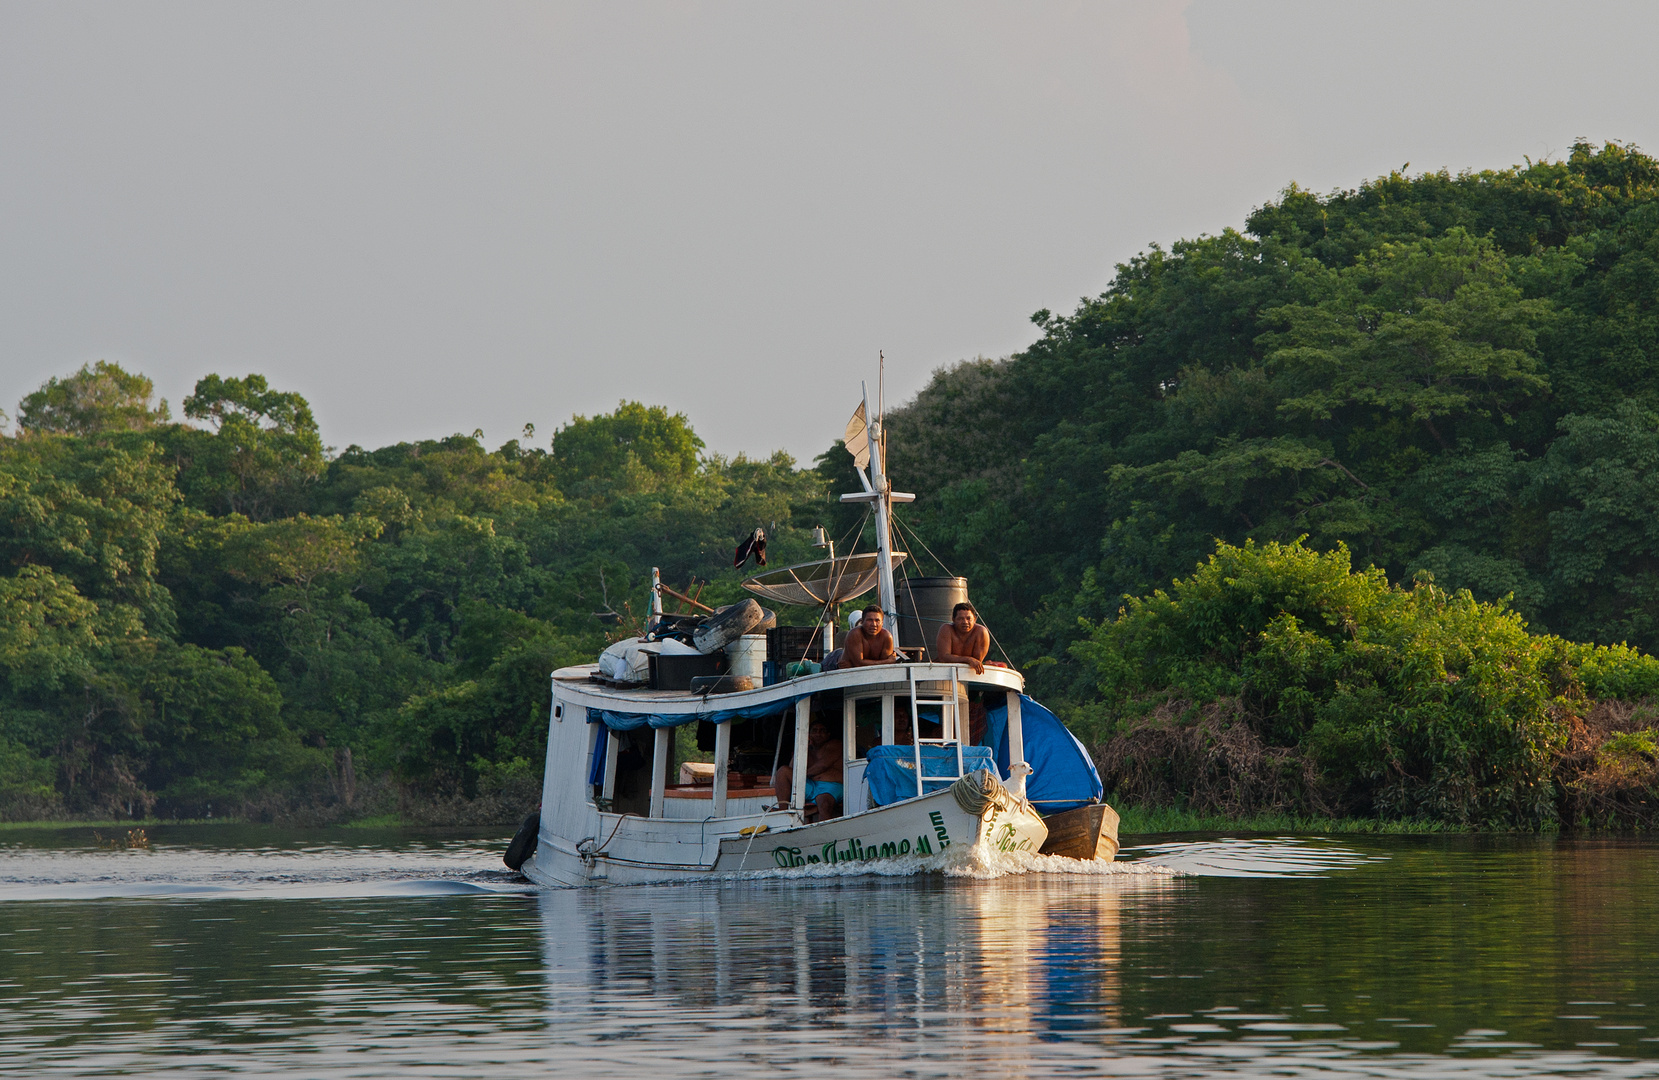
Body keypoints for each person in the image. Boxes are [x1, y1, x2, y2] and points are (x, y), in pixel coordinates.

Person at [772, 717, 843, 821]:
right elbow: (793, 768)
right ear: (809, 734)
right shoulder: (807, 749)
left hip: (831, 786)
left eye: (822, 731)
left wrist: (801, 776)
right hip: (811, 785)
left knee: (824, 803)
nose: (818, 734)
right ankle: (783, 812)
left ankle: (824, 835)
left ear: (828, 735)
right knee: (783, 771)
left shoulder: (835, 744)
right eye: (814, 731)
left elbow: (822, 765)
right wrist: (803, 746)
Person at [934, 602, 990, 674]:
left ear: (975, 619)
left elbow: (976, 662)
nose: (965, 622)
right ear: (953, 620)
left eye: (968, 618)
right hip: (943, 673)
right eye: (960, 619)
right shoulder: (946, 629)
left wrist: (970, 660)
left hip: (970, 675)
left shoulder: (981, 632)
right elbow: (944, 658)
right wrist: (968, 660)